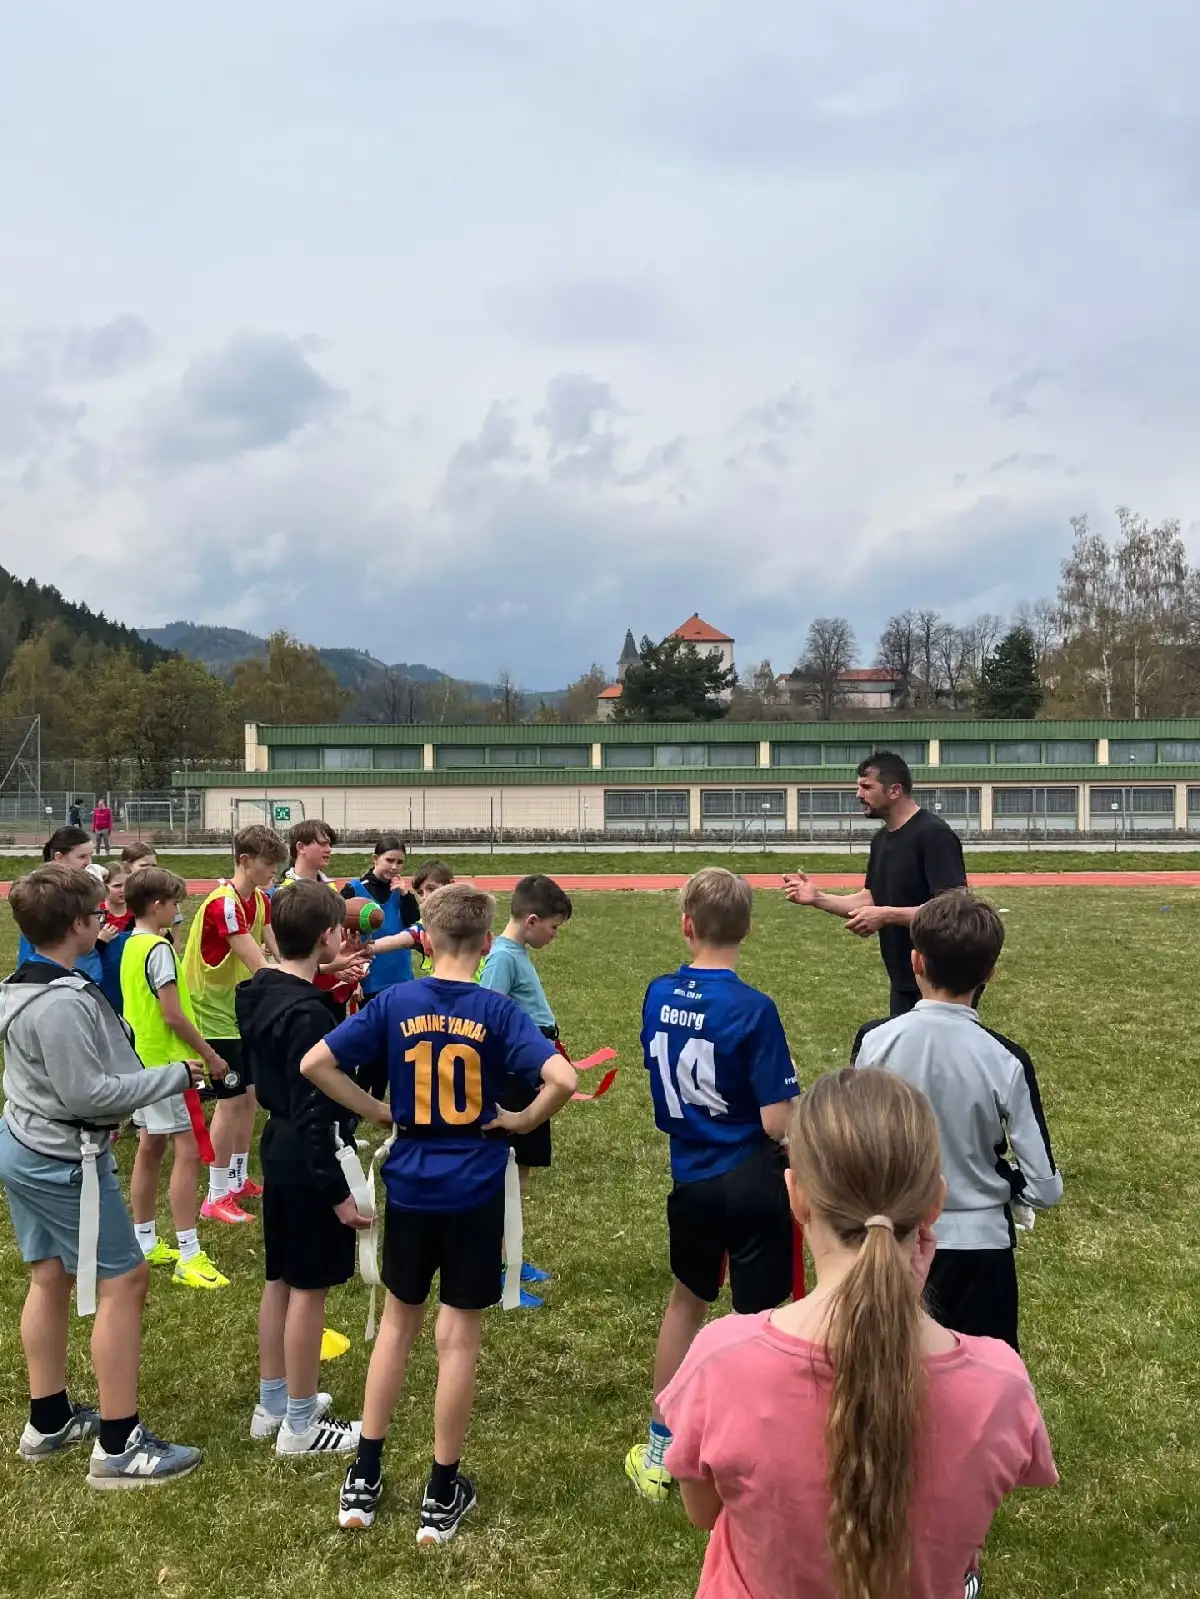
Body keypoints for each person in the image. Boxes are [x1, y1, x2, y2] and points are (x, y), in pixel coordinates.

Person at [659, 1068, 1058, 1599]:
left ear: (796, 1197)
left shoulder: (721, 1361)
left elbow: (703, 1512)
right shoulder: (1000, 1385)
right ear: (934, 1205)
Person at [298, 882, 578, 1542]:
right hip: (475, 1189)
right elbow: (563, 1079)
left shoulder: (397, 1000)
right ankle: (441, 1488)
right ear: (486, 942)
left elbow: (317, 1061)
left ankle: (364, 1474)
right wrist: (521, 1118)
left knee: (398, 1327)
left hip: (414, 1186)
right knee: (460, 1337)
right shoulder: (497, 1010)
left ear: (426, 937)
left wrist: (374, 1109)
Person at [0, 865, 204, 1485]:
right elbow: (89, 1093)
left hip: (27, 1144)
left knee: (51, 1273)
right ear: (75, 926)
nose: (105, 921)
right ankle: (119, 1444)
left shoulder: (20, 984)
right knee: (126, 1280)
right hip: (64, 1159)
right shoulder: (59, 1003)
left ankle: (49, 1416)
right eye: (96, 915)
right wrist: (177, 1075)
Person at [626, 867, 799, 1505]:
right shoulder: (753, 1008)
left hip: (692, 1175)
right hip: (752, 1175)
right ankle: (763, 1448)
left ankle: (660, 1449)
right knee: (763, 1320)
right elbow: (776, 1119)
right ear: (747, 929)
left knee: (686, 1302)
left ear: (686, 926)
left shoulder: (656, 992)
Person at [853, 891, 1062, 1352]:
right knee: (983, 1391)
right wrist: (1004, 1184)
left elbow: (854, 1145)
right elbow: (1046, 1187)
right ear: (990, 973)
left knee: (890, 1384)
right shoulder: (1005, 1060)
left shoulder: (873, 1043)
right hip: (981, 1250)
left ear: (915, 962)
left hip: (892, 1241)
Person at [237, 880, 368, 1457]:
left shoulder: (260, 989)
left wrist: (332, 992)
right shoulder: (310, 1015)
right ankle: (299, 1425)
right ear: (326, 937)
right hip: (308, 1152)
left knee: (280, 1279)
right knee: (309, 1289)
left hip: (277, 1145)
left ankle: (273, 1401)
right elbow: (318, 1114)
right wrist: (338, 1191)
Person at [784, 750, 967, 1016]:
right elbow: (871, 899)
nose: (859, 794)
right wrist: (817, 898)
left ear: (894, 790)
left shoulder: (934, 835)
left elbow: (954, 910)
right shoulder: (881, 840)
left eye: (866, 787)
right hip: (905, 979)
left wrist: (887, 915)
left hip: (942, 983)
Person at [123, 868, 230, 1290]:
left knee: (150, 1148)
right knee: (188, 1153)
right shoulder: (160, 949)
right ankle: (189, 1253)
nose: (178, 909)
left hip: (140, 1063)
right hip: (170, 1068)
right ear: (157, 905)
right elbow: (172, 1013)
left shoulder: (131, 945)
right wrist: (209, 1054)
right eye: (174, 902)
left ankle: (144, 1240)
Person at [181, 824, 286, 1225]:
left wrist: (327, 967)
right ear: (244, 861)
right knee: (230, 1101)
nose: (274, 870)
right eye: (268, 863)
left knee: (249, 1097)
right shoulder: (222, 904)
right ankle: (216, 1194)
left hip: (238, 1011)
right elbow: (264, 966)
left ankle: (237, 1179)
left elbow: (281, 956)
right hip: (211, 1012)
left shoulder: (260, 899)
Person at [477, 873, 572, 1304]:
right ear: (532, 920)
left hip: (531, 1071)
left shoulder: (515, 952)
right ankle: (495, 1270)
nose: (554, 935)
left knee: (522, 1172)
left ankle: (510, 1255)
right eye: (553, 927)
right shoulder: (501, 958)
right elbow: (484, 1020)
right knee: (507, 1176)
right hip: (514, 1078)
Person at [17, 829, 104, 986]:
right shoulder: (44, 894)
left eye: (90, 855)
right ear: (59, 857)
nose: (89, 862)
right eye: (82, 856)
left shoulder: (78, 886)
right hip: (55, 981)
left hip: (81, 978)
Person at [341, 835, 423, 998]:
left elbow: (412, 924)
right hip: (371, 978)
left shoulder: (401, 892)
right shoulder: (353, 890)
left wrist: (406, 895)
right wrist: (353, 979)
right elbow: (340, 936)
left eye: (400, 862)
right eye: (389, 860)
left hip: (401, 975)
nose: (394, 867)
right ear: (376, 859)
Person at [94, 863, 135, 1015]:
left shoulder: (138, 912)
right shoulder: (95, 914)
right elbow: (81, 953)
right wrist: (100, 941)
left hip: (132, 978)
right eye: (117, 885)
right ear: (104, 887)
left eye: (127, 884)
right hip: (104, 981)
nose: (123, 890)